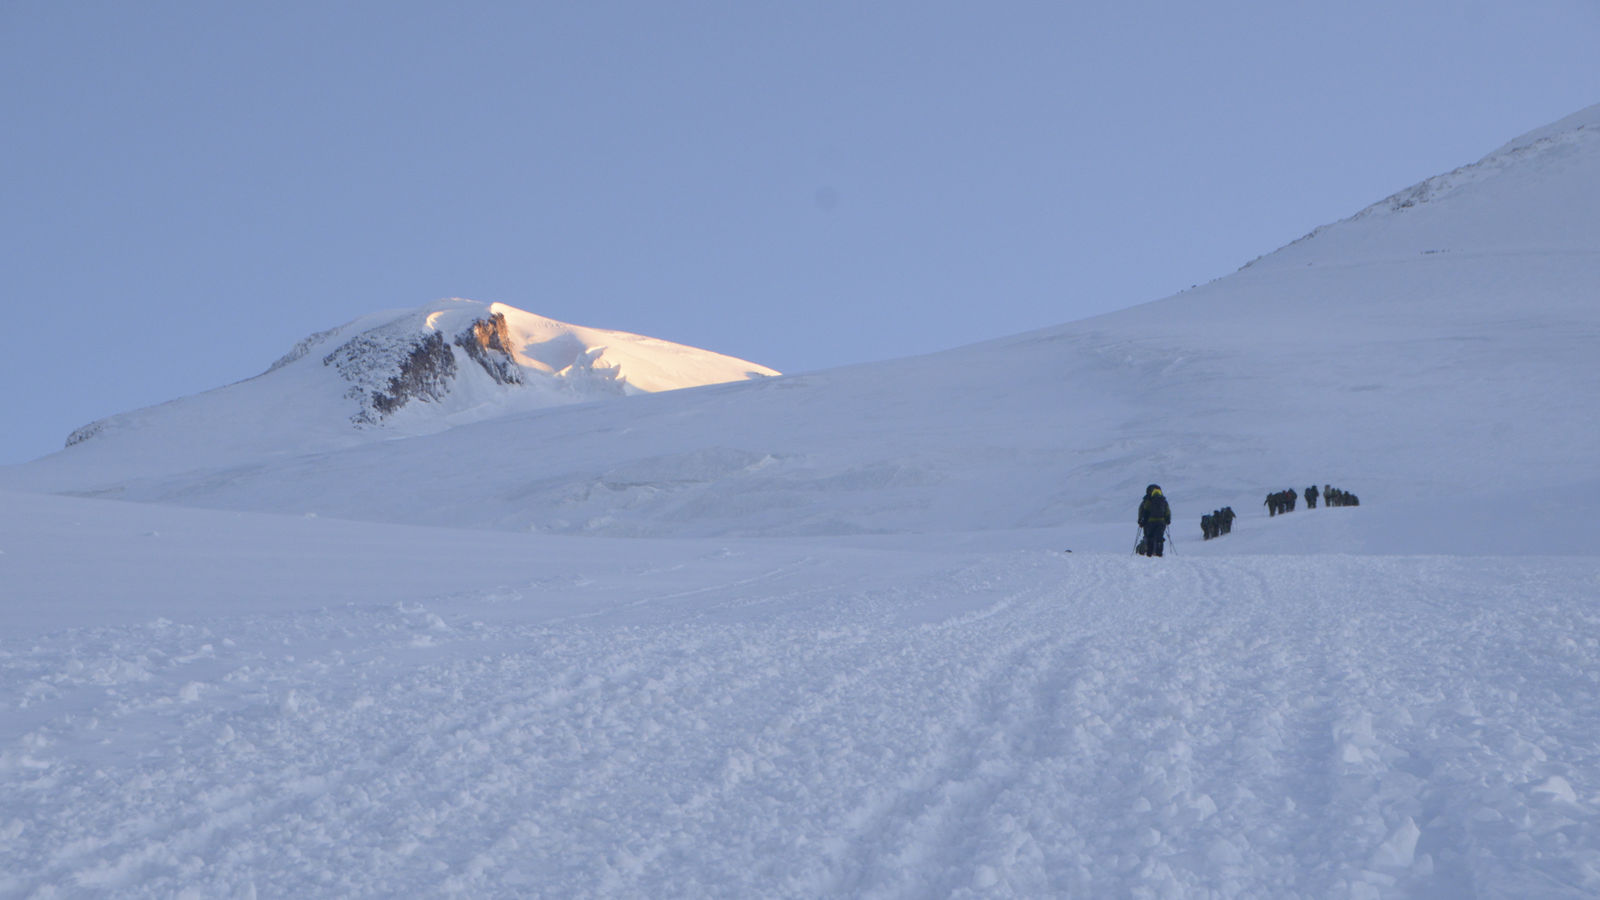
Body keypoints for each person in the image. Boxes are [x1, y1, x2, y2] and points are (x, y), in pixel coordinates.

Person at [1139, 484, 1171, 557]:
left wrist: (1141, 521)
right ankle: (1159, 553)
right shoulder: (1163, 501)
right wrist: (1167, 520)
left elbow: (1144, 511)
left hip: (1150, 522)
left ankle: (1149, 553)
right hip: (1161, 522)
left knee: (1149, 537)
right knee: (1159, 537)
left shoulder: (1147, 501)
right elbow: (1167, 511)